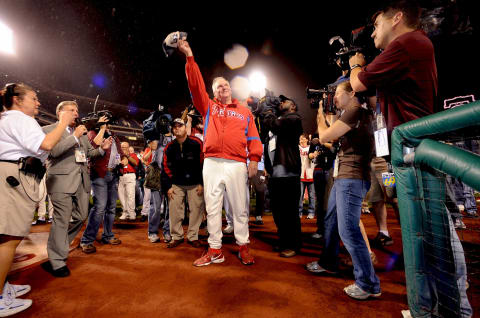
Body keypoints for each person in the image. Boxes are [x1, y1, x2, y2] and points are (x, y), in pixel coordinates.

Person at [178, 39, 263, 266]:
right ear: (214, 92)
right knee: (213, 206)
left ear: (230, 88)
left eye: (225, 85)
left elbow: (254, 138)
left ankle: (243, 245)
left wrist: (254, 158)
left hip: (236, 163)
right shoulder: (208, 107)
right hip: (213, 162)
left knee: (239, 207)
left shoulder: (245, 112)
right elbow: (195, 86)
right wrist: (189, 57)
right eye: (217, 87)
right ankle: (215, 249)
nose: (222, 88)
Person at [0, 83, 75, 316]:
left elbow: (40, 150)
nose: (38, 103)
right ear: (17, 100)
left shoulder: (11, 119)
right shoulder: (19, 119)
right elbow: (46, 145)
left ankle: (3, 286)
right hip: (12, 176)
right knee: (8, 239)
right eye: (33, 98)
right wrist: (63, 122)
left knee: (8, 236)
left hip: (14, 174)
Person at [305, 80, 381, 300]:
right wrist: (329, 116)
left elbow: (327, 136)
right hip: (345, 178)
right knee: (332, 221)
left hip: (352, 179)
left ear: (352, 93)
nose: (334, 97)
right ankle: (330, 263)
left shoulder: (356, 109)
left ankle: (368, 283)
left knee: (348, 231)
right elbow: (334, 137)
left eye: (337, 93)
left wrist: (320, 115)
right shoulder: (352, 112)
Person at [42, 101, 111, 277]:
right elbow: (54, 151)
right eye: (71, 110)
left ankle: (59, 246)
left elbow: (88, 154)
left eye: (77, 110)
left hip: (81, 181)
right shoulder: (48, 130)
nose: (76, 113)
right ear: (60, 112)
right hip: (60, 181)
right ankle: (57, 261)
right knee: (62, 219)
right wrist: (74, 137)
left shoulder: (79, 133)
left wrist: (102, 150)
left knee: (81, 216)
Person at [263, 96, 303, 258]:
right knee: (278, 211)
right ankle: (283, 240)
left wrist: (269, 111)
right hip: (275, 175)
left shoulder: (294, 119)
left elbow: (274, 124)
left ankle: (293, 245)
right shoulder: (278, 121)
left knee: (290, 212)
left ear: (293, 105)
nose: (281, 102)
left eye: (284, 100)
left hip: (288, 173)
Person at [80, 122, 124, 253]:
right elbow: (92, 147)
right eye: (105, 122)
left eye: (109, 122)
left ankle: (108, 235)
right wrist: (102, 128)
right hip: (99, 174)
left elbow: (120, 152)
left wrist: (123, 158)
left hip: (113, 173)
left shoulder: (114, 136)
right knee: (100, 207)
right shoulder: (93, 133)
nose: (108, 124)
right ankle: (87, 240)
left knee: (111, 207)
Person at [161, 118, 204, 248]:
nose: (177, 128)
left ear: (186, 128)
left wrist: (202, 183)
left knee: (196, 211)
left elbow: (204, 163)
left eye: (180, 126)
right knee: (174, 212)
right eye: (174, 127)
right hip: (176, 184)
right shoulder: (169, 147)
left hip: (195, 183)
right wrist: (168, 186)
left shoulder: (197, 143)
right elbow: (165, 168)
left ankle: (193, 236)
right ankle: (177, 236)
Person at [118, 142, 139, 220]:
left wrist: (127, 155)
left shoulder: (133, 155)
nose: (123, 148)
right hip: (121, 176)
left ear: (128, 147)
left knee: (130, 196)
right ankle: (125, 212)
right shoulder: (119, 155)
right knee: (122, 196)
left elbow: (135, 163)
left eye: (125, 147)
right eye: (122, 147)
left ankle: (131, 213)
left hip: (130, 175)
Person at [298, 134, 315, 219]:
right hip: (301, 174)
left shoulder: (310, 148)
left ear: (307, 140)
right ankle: (299, 212)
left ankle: (311, 212)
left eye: (303, 139)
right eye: (300, 139)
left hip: (310, 174)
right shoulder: (298, 148)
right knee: (299, 195)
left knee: (311, 195)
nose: (301, 141)